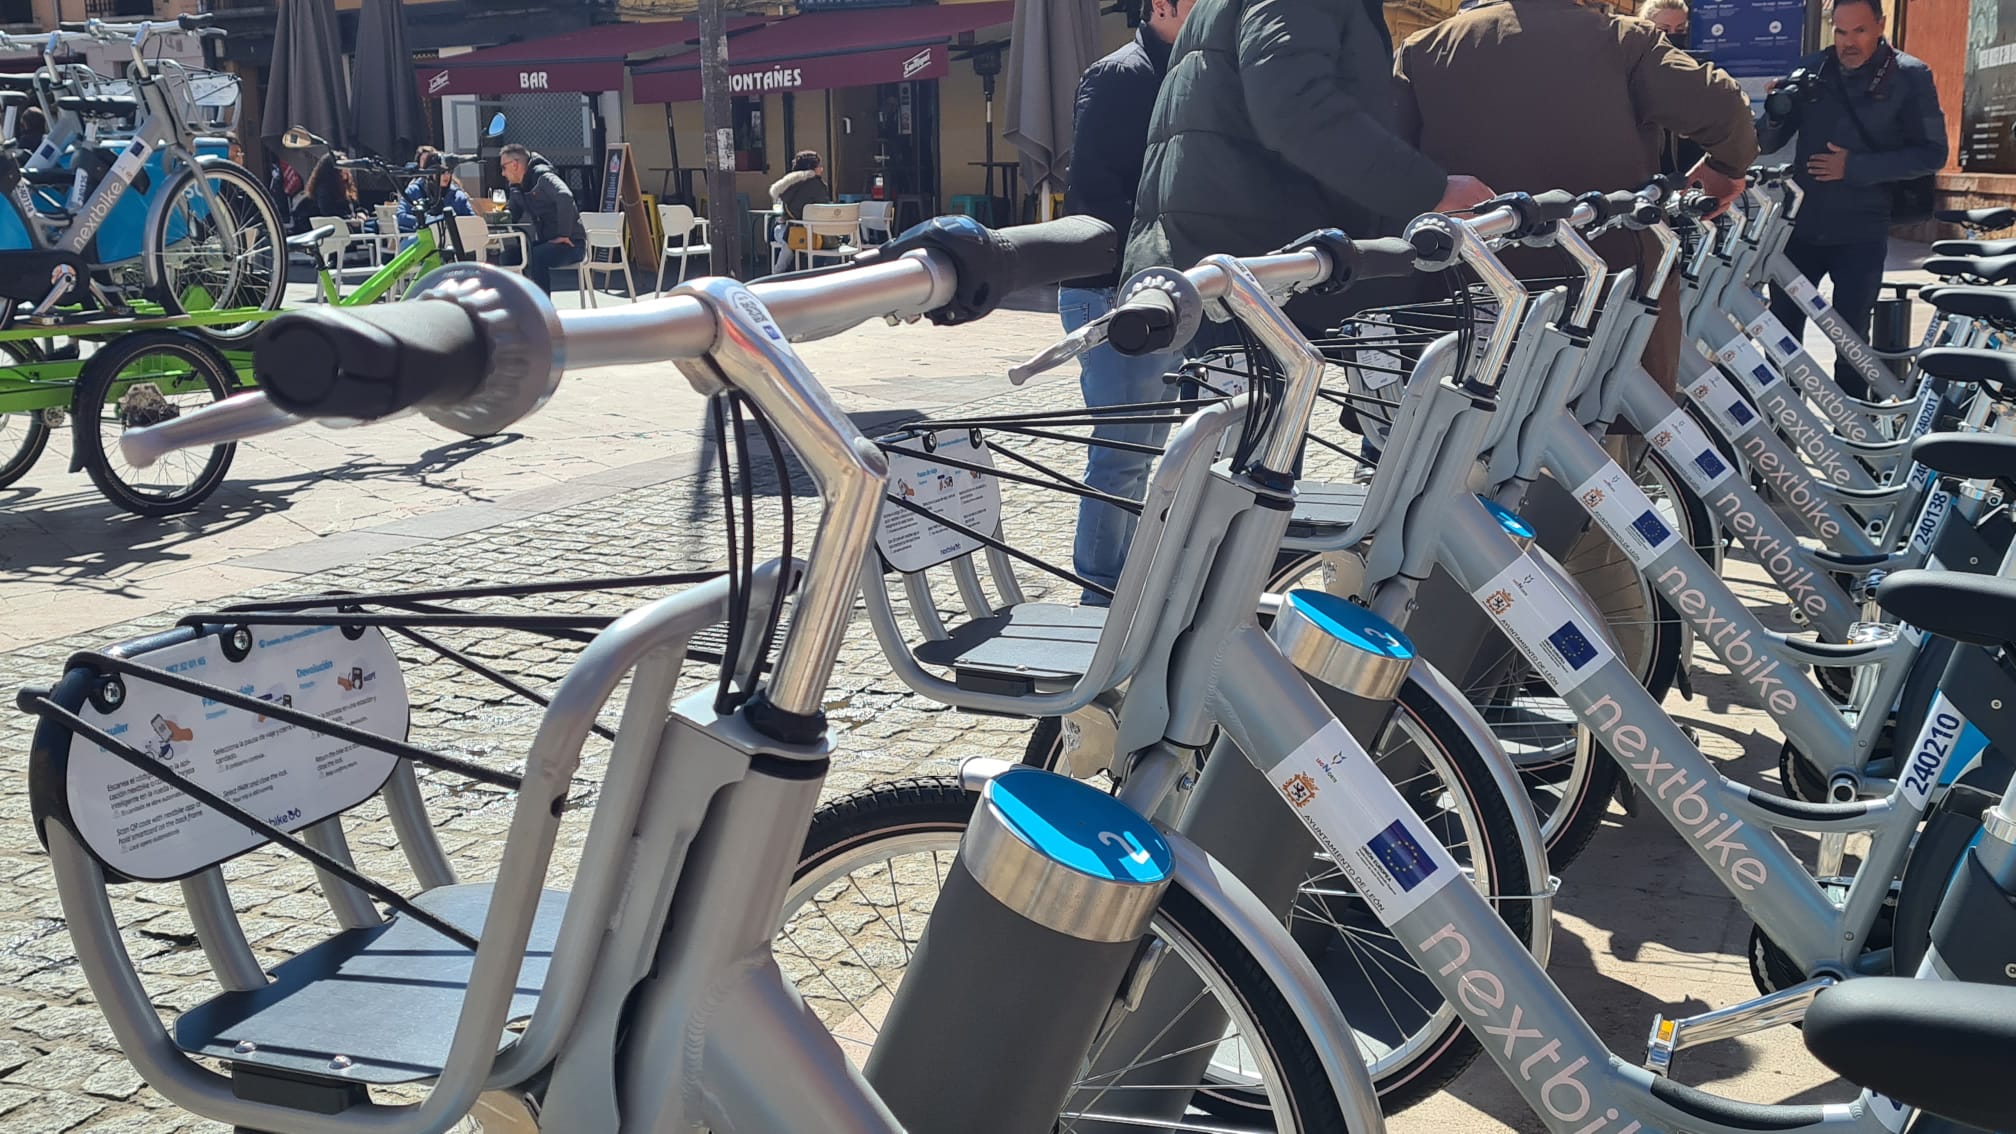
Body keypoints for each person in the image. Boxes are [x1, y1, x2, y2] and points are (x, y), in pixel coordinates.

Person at [1393, 0, 1759, 392]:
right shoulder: (1623, 40)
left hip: (1474, 299)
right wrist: (1725, 167)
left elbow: (1389, 165)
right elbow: (1724, 108)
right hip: (1607, 290)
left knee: (1465, 428)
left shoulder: (1424, 48)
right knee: (1604, 426)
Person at [1124, 0, 1497, 346]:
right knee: (1262, 409)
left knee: (1252, 410)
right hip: (1255, 267)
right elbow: (1295, 109)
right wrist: (1427, 190)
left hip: (1230, 259)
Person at [1057, 0, 1194, 602]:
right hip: (1114, 289)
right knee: (1121, 457)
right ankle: (1098, 596)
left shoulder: (1191, 70)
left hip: (1159, 286)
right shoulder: (1120, 74)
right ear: (1160, 5)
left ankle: (1129, 585)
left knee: (1148, 454)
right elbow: (1093, 192)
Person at [1761, 0, 1946, 398]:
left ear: (1880, 25)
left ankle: (1854, 445)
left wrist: (1855, 167)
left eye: (1859, 31)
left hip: (1861, 231)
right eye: (1841, 32)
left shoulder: (1911, 76)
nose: (1849, 42)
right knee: (1782, 341)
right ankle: (1778, 440)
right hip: (1800, 228)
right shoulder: (1812, 68)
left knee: (1852, 347)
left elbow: (1933, 154)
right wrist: (1775, 112)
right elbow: (1767, 140)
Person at [500, 142, 584, 294]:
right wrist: (500, 216)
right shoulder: (516, 187)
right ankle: (519, 303)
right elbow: (513, 212)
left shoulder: (543, 177)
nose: (503, 173)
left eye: (503, 168)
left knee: (536, 256)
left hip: (571, 244)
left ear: (515, 165)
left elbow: (565, 196)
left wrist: (563, 234)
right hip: (547, 242)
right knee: (509, 256)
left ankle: (543, 309)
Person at [1640, 0, 1705, 179]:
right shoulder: (1630, 67)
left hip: (1689, 169)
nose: (1673, 36)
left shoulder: (1696, 68)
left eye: (1680, 30)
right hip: (1644, 171)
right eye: (1664, 30)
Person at [768, 150, 831, 273]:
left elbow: (781, 213)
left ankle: (776, 273)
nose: (822, 169)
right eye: (819, 166)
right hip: (813, 233)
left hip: (785, 229)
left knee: (789, 240)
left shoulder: (786, 185)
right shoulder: (817, 185)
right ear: (812, 168)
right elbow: (824, 209)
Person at [401, 149, 473, 232]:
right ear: (429, 173)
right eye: (441, 172)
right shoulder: (414, 191)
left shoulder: (458, 195)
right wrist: (427, 221)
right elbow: (401, 216)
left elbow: (471, 220)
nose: (446, 175)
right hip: (419, 238)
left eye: (449, 171)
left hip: (452, 240)